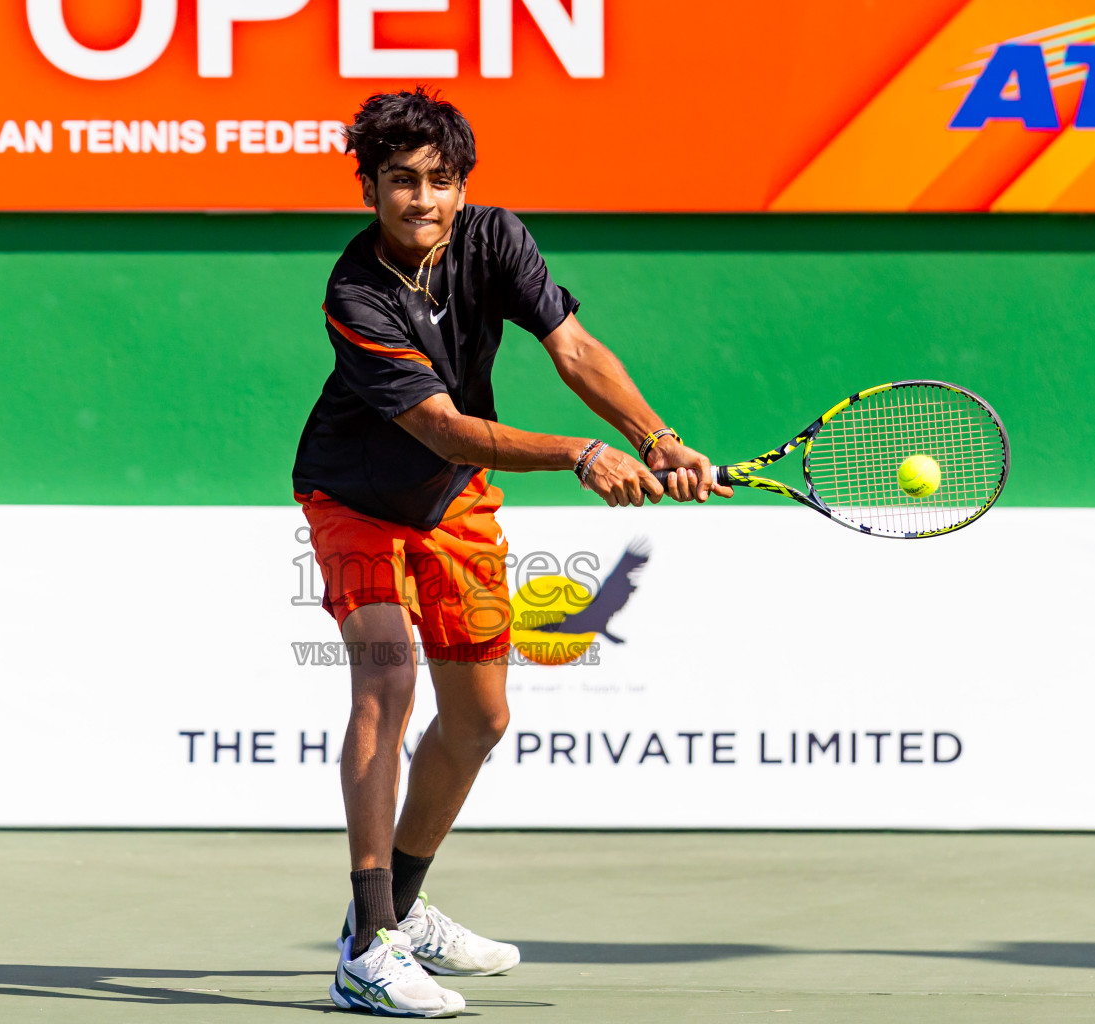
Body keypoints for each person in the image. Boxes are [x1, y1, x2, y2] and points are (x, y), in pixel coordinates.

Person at [292, 87, 732, 1018]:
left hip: (454, 508)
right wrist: (580, 453)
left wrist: (656, 438)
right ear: (368, 187)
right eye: (402, 181)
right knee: (386, 682)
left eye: (440, 181)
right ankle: (366, 947)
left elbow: (571, 349)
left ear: (462, 187)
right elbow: (447, 430)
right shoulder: (355, 294)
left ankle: (401, 916)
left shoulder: (497, 239)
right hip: (354, 499)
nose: (423, 200)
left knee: (481, 721)